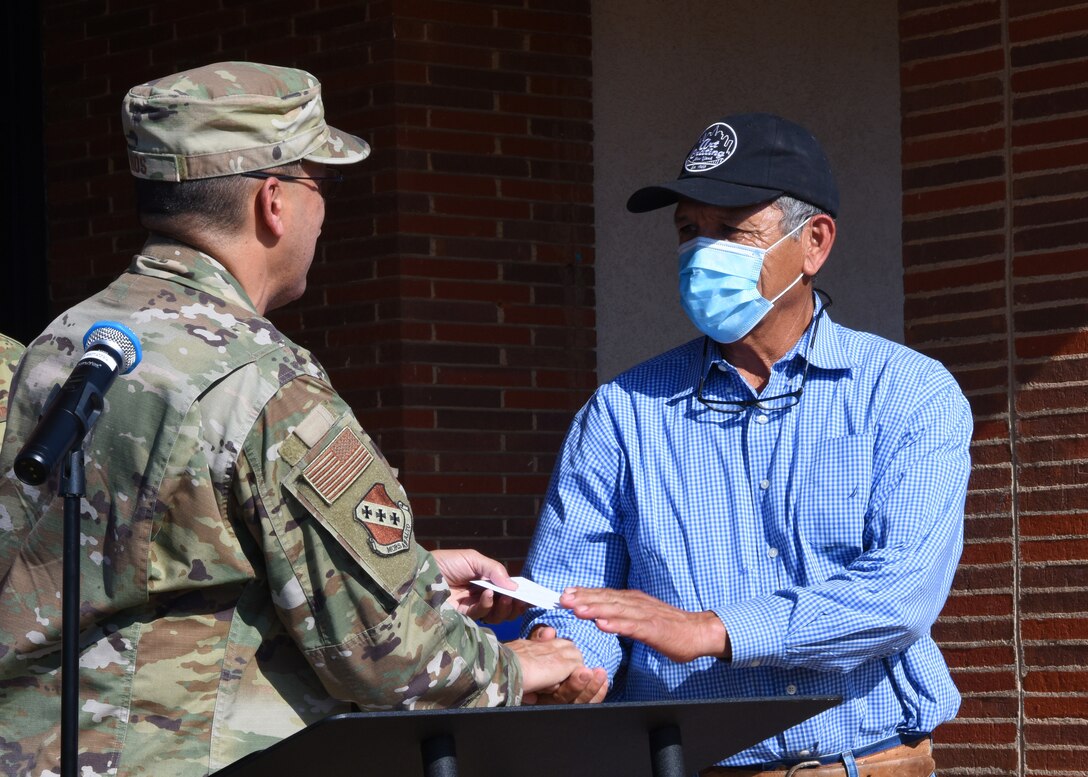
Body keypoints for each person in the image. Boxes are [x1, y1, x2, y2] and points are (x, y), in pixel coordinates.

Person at [0, 62, 605, 777]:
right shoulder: (260, 378)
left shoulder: (61, 343)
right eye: (325, 184)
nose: (325, 212)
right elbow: (390, 656)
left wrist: (412, 572)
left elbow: (130, 561)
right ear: (274, 201)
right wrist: (514, 665)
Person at [522, 113, 971, 776]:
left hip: (872, 763)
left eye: (731, 231)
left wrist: (715, 629)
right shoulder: (620, 415)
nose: (703, 254)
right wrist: (567, 659)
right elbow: (577, 593)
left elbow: (898, 593)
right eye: (688, 231)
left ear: (813, 244)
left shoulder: (908, 394)